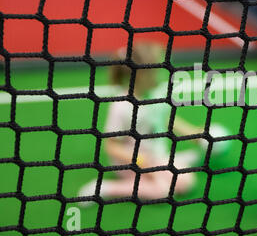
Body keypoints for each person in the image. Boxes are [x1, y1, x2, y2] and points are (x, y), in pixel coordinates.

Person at [78, 42, 226, 203]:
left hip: (156, 155)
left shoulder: (157, 93)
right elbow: (112, 146)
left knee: (185, 183)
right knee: (163, 191)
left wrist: (194, 134)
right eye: (156, 72)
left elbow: (166, 118)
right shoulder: (122, 106)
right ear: (140, 76)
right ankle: (105, 187)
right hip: (131, 164)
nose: (161, 76)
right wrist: (140, 160)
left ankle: (173, 161)